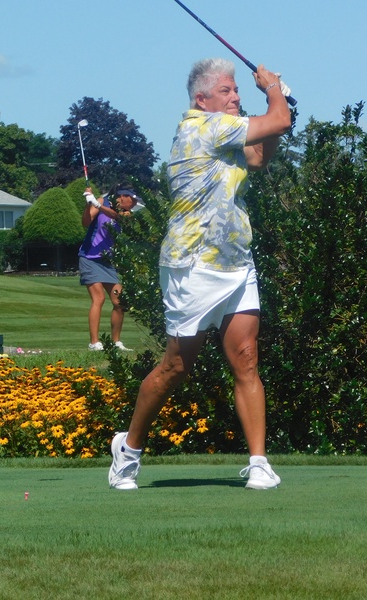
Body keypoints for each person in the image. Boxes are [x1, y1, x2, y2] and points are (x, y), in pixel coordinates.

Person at [108, 58, 292, 491]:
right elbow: (278, 120)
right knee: (176, 366)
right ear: (201, 99)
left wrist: (281, 105)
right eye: (227, 91)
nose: (236, 97)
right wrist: (274, 90)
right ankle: (128, 448)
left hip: (236, 263)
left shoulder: (225, 134)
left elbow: (259, 157)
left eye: (237, 90)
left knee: (246, 357)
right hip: (192, 265)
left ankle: (259, 462)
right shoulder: (201, 127)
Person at [78, 183, 140, 351]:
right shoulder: (101, 201)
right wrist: (89, 203)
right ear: (122, 196)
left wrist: (97, 204)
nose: (135, 203)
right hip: (89, 257)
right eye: (133, 199)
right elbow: (85, 222)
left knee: (119, 302)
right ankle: (94, 343)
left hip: (108, 261)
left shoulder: (127, 213)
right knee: (98, 299)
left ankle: (115, 342)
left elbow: (116, 216)